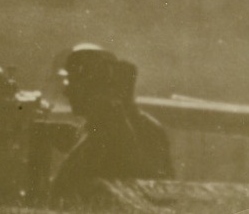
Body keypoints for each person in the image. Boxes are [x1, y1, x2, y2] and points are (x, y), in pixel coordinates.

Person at [50, 44, 173, 206]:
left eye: (72, 82)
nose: (66, 92)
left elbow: (67, 189)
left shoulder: (109, 131)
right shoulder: (136, 125)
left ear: (91, 86)